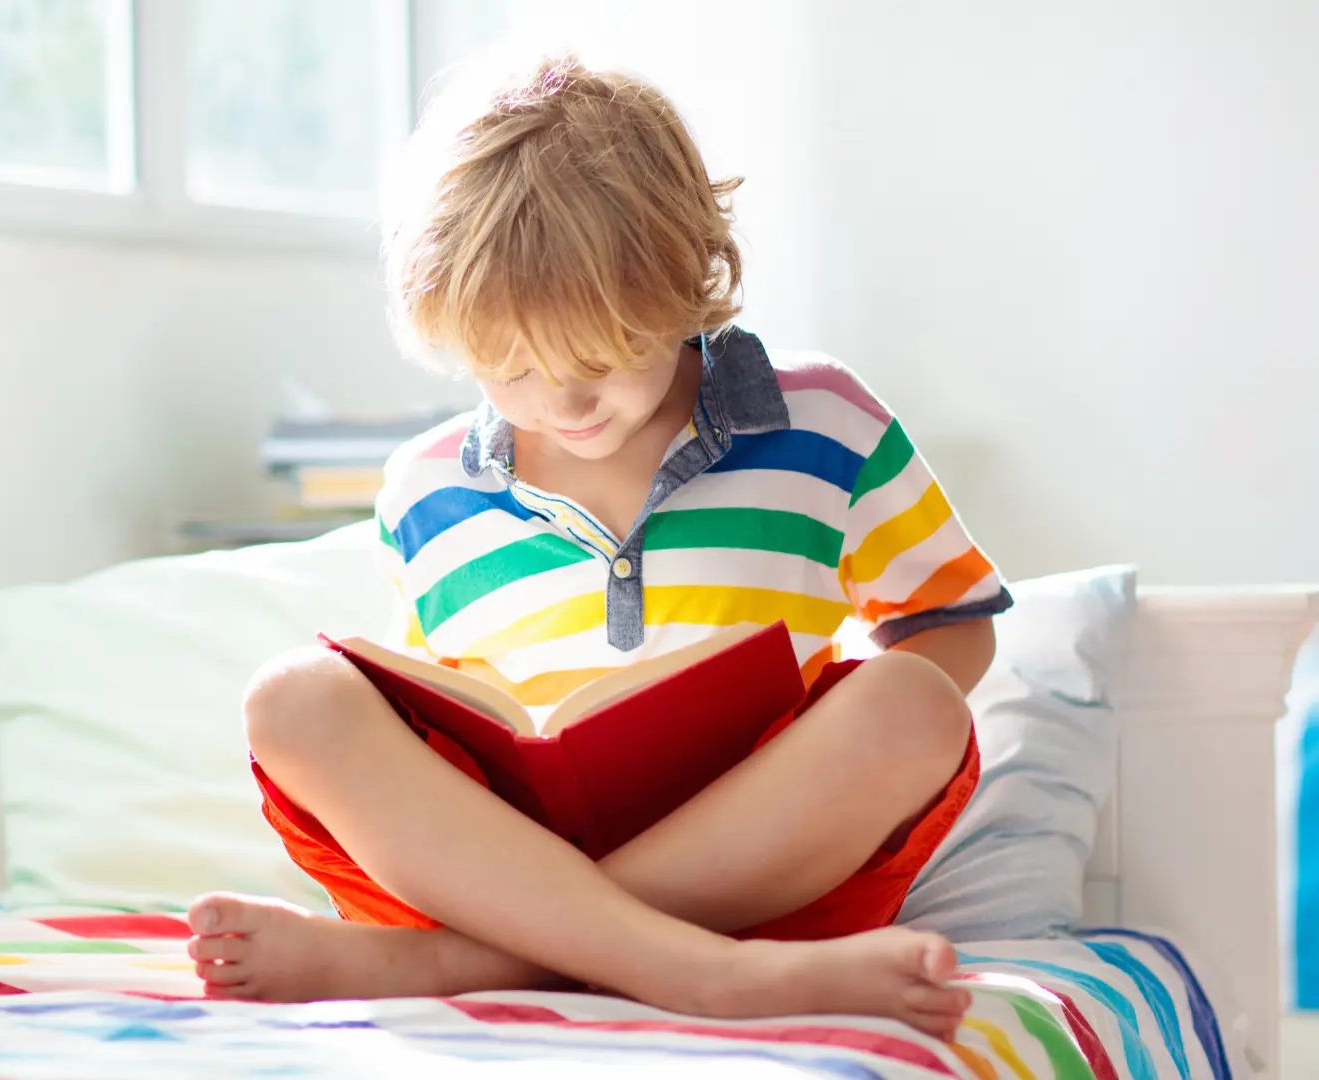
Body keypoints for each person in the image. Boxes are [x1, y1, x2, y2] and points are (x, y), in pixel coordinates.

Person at [185, 53, 1011, 1040]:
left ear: (688, 281)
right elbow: (444, 731)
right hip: (507, 865)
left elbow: (953, 628)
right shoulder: (423, 487)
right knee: (295, 697)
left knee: (913, 700)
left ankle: (465, 966)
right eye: (512, 369)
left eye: (602, 359)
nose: (562, 404)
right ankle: (689, 972)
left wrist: (834, 736)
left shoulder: (824, 419)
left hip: (763, 875)